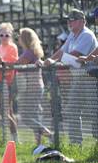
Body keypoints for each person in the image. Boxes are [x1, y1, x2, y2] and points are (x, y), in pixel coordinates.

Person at [41, 9, 98, 145]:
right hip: (78, 78)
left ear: (83, 21)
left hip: (90, 79)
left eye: (73, 19)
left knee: (94, 112)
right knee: (72, 109)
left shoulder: (86, 35)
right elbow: (62, 51)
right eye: (69, 19)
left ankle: (96, 145)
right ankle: (75, 144)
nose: (69, 22)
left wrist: (54, 62)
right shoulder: (72, 35)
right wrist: (48, 60)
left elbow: (75, 54)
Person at [15, 27, 52, 149]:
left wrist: (3, 62)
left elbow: (17, 64)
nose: (18, 39)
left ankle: (48, 133)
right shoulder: (31, 51)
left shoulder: (28, 53)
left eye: (20, 36)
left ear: (24, 39)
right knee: (34, 115)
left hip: (32, 88)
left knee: (25, 116)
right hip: (35, 87)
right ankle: (38, 144)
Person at [0, 22, 20, 143]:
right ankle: (9, 136)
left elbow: (12, 63)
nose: (3, 38)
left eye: (6, 35)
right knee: (4, 110)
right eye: (1, 35)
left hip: (9, 81)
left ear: (11, 36)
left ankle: (14, 136)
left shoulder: (13, 47)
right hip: (0, 80)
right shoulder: (1, 47)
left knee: (7, 110)